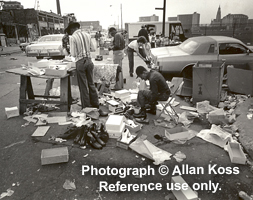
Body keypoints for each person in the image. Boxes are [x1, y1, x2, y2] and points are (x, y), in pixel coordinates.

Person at [66, 21, 99, 109]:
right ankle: (95, 104)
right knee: (91, 83)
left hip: (80, 61)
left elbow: (73, 53)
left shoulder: (73, 37)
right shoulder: (87, 35)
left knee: (83, 85)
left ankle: (86, 106)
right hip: (89, 61)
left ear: (72, 29)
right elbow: (93, 49)